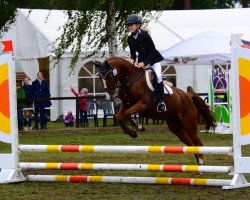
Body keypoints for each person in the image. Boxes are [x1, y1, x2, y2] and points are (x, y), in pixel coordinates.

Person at [126, 13, 166, 112]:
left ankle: (161, 102)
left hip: (153, 60)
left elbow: (152, 51)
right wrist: (132, 60)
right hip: (141, 60)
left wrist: (144, 63)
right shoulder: (130, 39)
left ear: (137, 25)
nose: (129, 27)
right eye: (129, 25)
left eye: (131, 25)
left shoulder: (145, 35)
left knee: (158, 76)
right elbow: (133, 54)